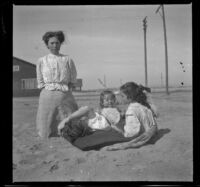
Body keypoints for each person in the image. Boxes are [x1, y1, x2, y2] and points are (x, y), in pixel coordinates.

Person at [36, 30, 78, 139]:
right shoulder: (41, 60)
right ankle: (48, 133)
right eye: (52, 43)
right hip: (47, 94)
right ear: (47, 45)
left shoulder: (67, 59)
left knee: (68, 115)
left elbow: (73, 76)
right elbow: (40, 78)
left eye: (57, 43)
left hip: (64, 93)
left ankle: (68, 133)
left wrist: (68, 87)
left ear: (60, 44)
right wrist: (46, 88)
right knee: (47, 119)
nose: (55, 45)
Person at [57, 90, 123, 143]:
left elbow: (115, 121)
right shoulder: (103, 110)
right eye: (107, 100)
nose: (110, 101)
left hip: (105, 124)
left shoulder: (116, 109)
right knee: (84, 117)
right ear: (102, 102)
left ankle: (67, 121)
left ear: (114, 100)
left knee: (87, 109)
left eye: (112, 99)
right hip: (102, 122)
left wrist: (119, 130)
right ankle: (67, 126)